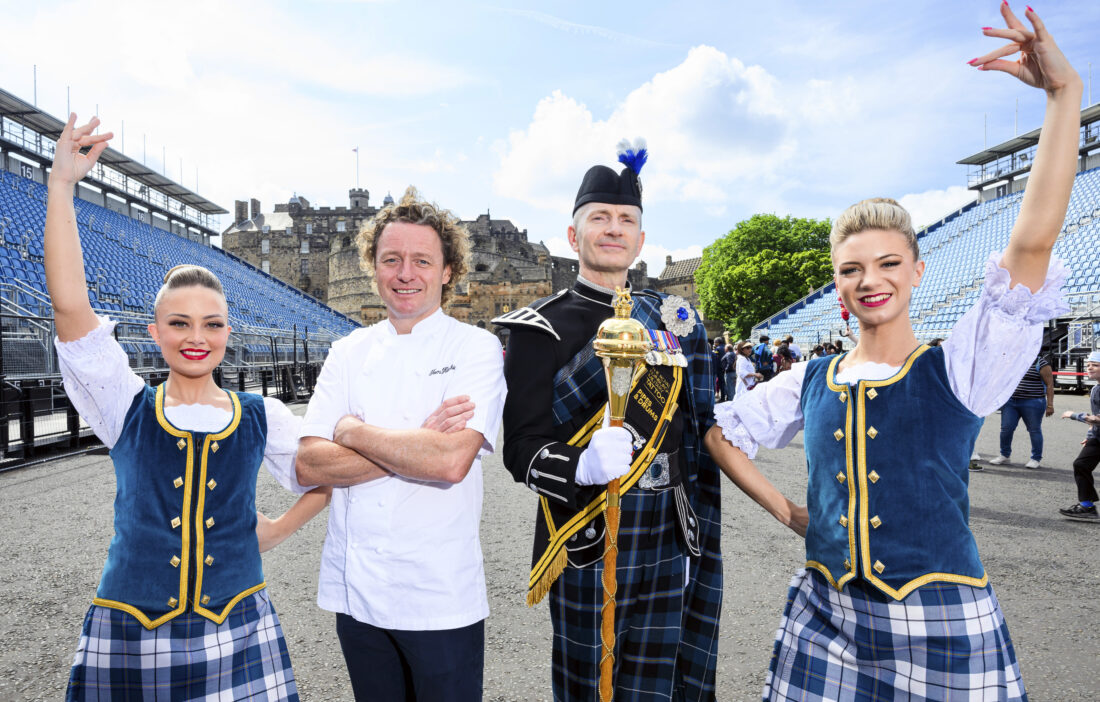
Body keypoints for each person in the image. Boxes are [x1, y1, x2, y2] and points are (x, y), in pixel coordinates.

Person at [704, 8, 1077, 698]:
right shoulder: (808, 379)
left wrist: (1063, 98)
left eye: (886, 263)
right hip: (825, 616)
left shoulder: (958, 367)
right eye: (851, 269)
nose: (868, 280)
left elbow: (1030, 246)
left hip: (941, 621)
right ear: (838, 285)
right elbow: (722, 434)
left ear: (916, 271)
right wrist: (789, 513)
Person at [49, 114, 330, 702]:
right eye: (179, 323)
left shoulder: (262, 414)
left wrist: (276, 530)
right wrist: (61, 188)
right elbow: (73, 311)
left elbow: (327, 473)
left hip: (239, 629)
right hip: (129, 627)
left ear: (229, 331)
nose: (195, 336)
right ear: (155, 332)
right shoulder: (122, 404)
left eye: (211, 324)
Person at [494, 140, 722, 700]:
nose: (614, 228)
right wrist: (581, 465)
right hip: (586, 527)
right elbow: (520, 447)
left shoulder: (674, 318)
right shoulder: (536, 327)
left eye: (627, 220)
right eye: (600, 218)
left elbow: (700, 426)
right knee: (589, 684)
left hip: (668, 526)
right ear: (575, 236)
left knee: (659, 678)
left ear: (640, 240)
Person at [294, 187, 506, 702]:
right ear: (374, 267)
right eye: (391, 259)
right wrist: (417, 444)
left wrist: (353, 432)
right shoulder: (347, 351)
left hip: (439, 596)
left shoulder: (475, 347)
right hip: (359, 595)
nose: (405, 273)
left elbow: (451, 461)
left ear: (448, 270)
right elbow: (308, 464)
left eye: (421, 260)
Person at [990, 353, 1054, 468]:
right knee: (1006, 429)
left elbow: (1050, 385)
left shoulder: (1041, 363)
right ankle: (1004, 455)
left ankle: (1035, 458)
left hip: (1033, 402)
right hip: (1010, 401)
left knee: (1034, 430)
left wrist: (1050, 405)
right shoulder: (1013, 360)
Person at [1058, 350, 1100, 521]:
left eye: (1095, 365)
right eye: (1089, 364)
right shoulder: (1096, 387)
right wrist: (1091, 435)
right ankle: (1087, 506)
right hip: (1097, 437)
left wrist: (1074, 415)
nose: (1090, 368)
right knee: (1081, 465)